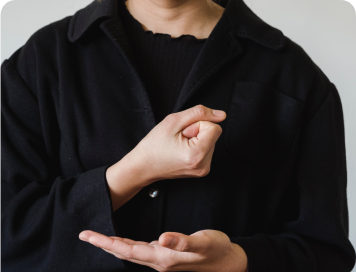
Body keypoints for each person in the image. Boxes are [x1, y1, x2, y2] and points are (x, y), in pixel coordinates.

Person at [0, 0, 355, 271]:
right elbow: (8, 235)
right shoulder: (40, 63)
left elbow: (326, 252)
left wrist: (239, 259)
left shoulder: (300, 80)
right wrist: (134, 172)